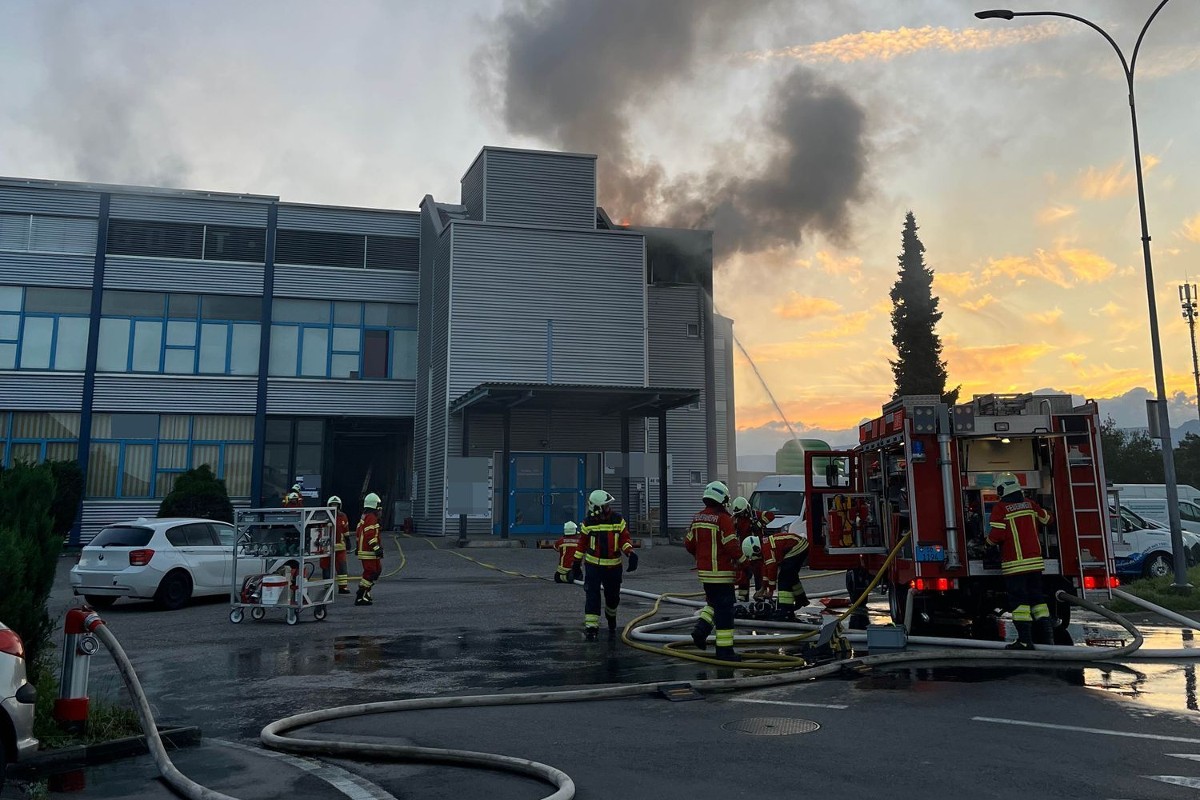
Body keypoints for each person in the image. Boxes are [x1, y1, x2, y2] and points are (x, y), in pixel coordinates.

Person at [987, 472, 1054, 649]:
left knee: (1020, 604)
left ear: (1002, 489)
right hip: (1035, 563)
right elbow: (1048, 519)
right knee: (1038, 601)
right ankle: (1048, 640)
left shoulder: (1001, 508)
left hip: (1015, 564)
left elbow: (997, 535)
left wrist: (986, 543)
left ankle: (1025, 641)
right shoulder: (1030, 504)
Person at [685, 481, 744, 662]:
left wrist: (702, 558)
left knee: (713, 604)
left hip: (705, 574)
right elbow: (731, 545)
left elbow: (689, 544)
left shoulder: (698, 518)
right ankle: (725, 651)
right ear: (722, 499)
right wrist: (745, 562)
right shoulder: (723, 519)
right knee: (725, 612)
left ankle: (700, 632)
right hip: (722, 574)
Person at [568, 489, 638, 640]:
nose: (608, 508)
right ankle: (591, 629)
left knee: (613, 598)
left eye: (608, 505)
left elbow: (624, 539)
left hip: (613, 567)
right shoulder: (588, 523)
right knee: (592, 596)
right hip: (593, 567)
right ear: (596, 507)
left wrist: (630, 553)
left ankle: (611, 616)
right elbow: (582, 545)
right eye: (605, 506)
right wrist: (576, 564)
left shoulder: (617, 519)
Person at [758, 522, 811, 620]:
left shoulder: (766, 549)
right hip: (800, 545)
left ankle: (785, 610)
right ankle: (801, 599)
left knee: (784, 577)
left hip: (797, 546)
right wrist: (763, 588)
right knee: (791, 576)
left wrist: (771, 591)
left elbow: (772, 568)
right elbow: (766, 569)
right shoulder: (764, 546)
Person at [730, 497, 765, 602]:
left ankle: (760, 596)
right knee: (744, 575)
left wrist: (758, 524)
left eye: (741, 512)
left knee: (759, 575)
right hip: (744, 551)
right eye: (738, 513)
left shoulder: (755, 515)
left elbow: (770, 515)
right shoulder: (735, 519)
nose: (740, 515)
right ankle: (743, 598)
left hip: (757, 552)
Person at [355, 492, 384, 607]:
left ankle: (366, 592)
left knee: (376, 571)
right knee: (370, 572)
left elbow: (358, 531)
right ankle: (360, 596)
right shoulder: (371, 517)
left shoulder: (366, 516)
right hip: (369, 550)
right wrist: (376, 547)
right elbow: (369, 535)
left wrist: (357, 545)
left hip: (368, 550)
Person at [321, 496, 351, 594]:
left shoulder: (343, 516)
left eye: (336, 505)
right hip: (326, 547)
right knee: (326, 567)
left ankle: (343, 587)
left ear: (339, 506)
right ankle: (327, 586)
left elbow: (345, 529)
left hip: (340, 546)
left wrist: (348, 540)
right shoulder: (324, 516)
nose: (334, 506)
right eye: (332, 505)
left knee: (342, 566)